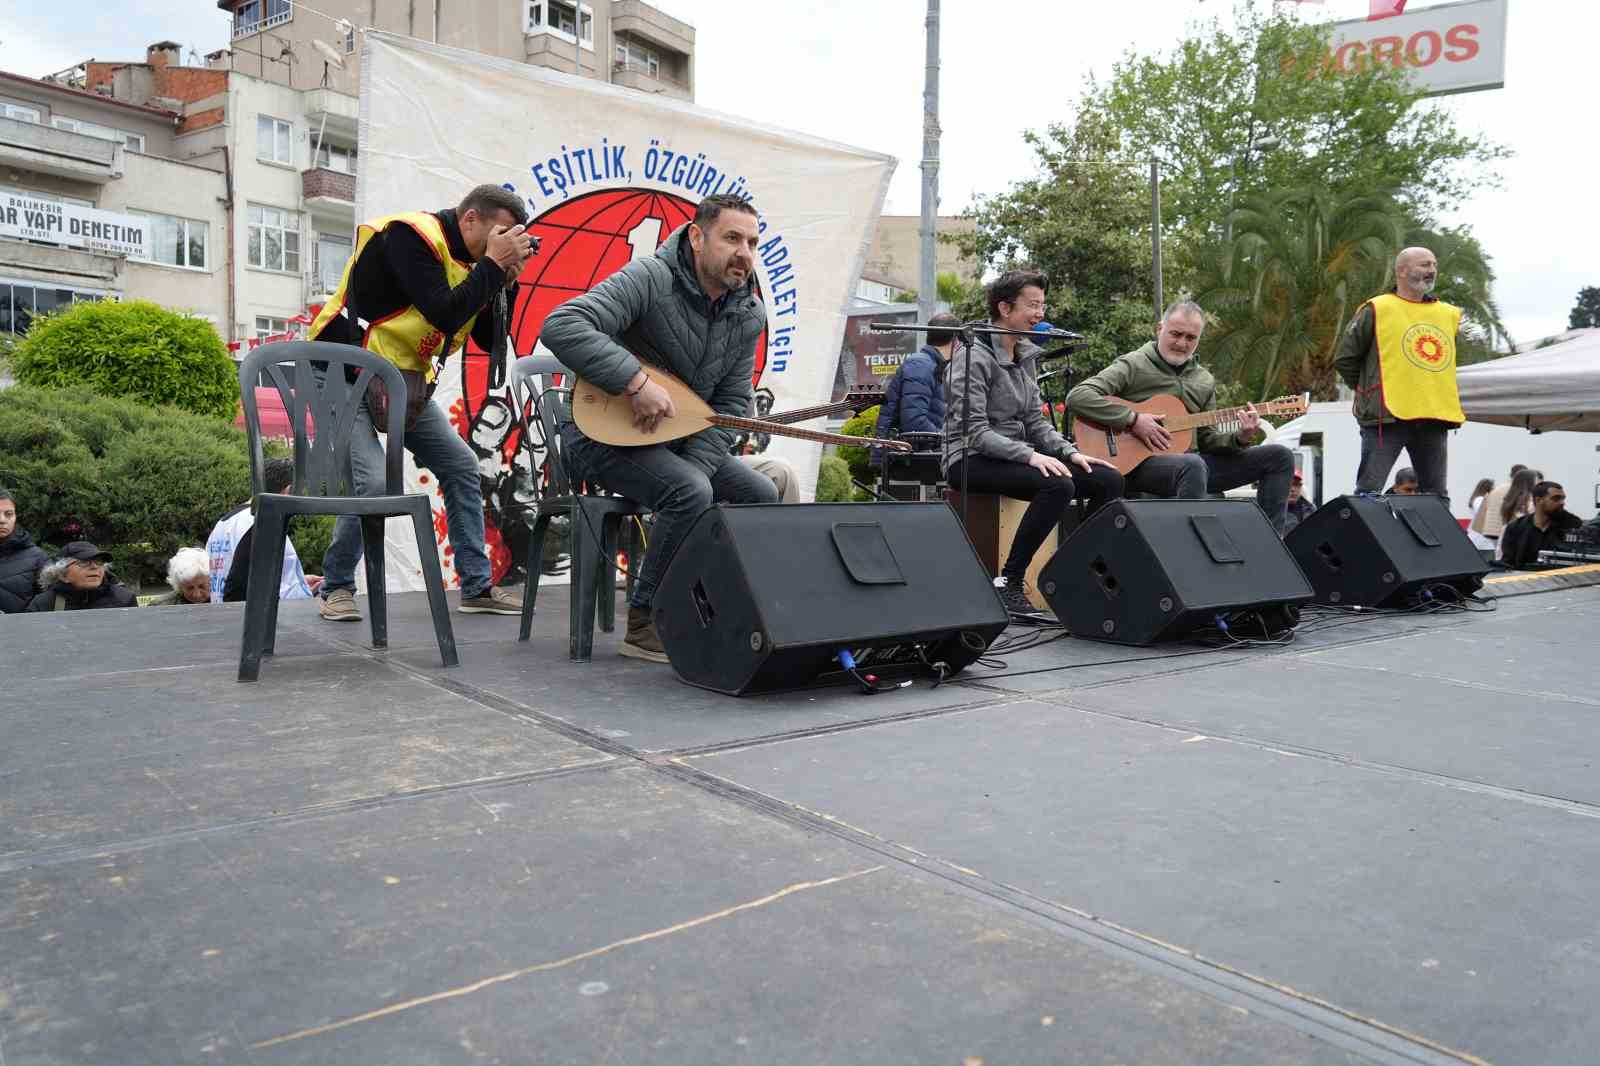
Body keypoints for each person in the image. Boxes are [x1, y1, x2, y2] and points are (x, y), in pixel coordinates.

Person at [541, 192, 780, 662]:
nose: (744, 253)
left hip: (673, 440)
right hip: (596, 433)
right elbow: (563, 325)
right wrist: (634, 381)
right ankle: (647, 620)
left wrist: (696, 467)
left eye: (752, 243)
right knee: (689, 491)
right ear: (697, 237)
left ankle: (709, 609)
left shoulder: (747, 313)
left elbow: (729, 404)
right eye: (732, 238)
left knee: (760, 494)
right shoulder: (652, 277)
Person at [307, 183, 535, 622]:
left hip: (398, 379)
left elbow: (489, 339)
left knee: (461, 465)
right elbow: (443, 312)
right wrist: (492, 266)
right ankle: (335, 587)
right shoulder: (410, 236)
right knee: (374, 483)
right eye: (501, 233)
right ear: (470, 219)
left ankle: (477, 586)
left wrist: (506, 280)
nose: (505, 243)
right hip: (339, 368)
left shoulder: (478, 264)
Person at [945, 270, 1123, 620]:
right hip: (968, 457)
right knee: (1058, 484)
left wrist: (1070, 452)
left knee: (1108, 480)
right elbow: (974, 432)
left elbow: (1035, 421)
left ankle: (1078, 572)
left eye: (1042, 305)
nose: (1040, 314)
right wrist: (1029, 455)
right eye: (1033, 305)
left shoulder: (1025, 354)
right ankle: (1009, 581)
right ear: (1004, 308)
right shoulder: (971, 356)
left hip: (1013, 455)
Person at [1067, 300, 1296, 532]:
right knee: (1192, 465)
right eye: (1176, 334)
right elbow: (1079, 396)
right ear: (1160, 329)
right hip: (1139, 466)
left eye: (1191, 338)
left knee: (1280, 457)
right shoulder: (1134, 364)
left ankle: (1271, 543)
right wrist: (1133, 420)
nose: (1182, 343)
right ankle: (1184, 545)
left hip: (1192, 465)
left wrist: (1240, 438)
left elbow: (1208, 440)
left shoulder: (1204, 380)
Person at [1335, 246, 1464, 498]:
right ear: (1402, 271)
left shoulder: (1449, 314)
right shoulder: (1376, 308)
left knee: (1436, 496)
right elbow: (1345, 359)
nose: (1432, 270)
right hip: (1386, 417)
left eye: (1434, 265)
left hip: (1433, 416)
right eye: (1424, 264)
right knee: (1369, 493)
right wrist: (1370, 392)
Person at [207, 458, 321, 604]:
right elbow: (242, 586)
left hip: (225, 612)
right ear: (288, 490)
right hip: (256, 615)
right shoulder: (263, 522)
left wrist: (300, 584)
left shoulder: (223, 523)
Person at [874, 312, 959, 441]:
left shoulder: (932, 364)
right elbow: (915, 423)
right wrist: (948, 442)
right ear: (956, 340)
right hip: (907, 451)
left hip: (918, 449)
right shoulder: (921, 365)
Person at [27, 541, 138, 612]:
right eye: (83, 563)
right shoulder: (43, 604)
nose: (94, 567)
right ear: (62, 575)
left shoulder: (124, 599)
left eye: (99, 562)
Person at [1499, 482, 1582, 568]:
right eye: (1556, 499)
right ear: (1538, 500)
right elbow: (1507, 562)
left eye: (1562, 499)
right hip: (1523, 574)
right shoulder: (1516, 527)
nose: (1562, 503)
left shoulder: (1572, 525)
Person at [0, 487, 48, 614]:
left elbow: (48, 604)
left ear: (15, 516)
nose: (2, 520)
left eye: (8, 514)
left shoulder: (37, 558)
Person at [1472, 464, 1528, 543]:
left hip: (1489, 531)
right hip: (1503, 530)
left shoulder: (1497, 489)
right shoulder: (1517, 490)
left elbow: (1484, 511)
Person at [148, 547, 214, 606]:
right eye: (189, 588)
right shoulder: (160, 606)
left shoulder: (219, 602)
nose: (197, 595)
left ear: (212, 582)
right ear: (180, 587)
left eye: (202, 587)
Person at [1283, 469, 1317, 535]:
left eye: (1296, 485)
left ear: (1301, 487)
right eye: (1288, 484)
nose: (1292, 489)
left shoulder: (1311, 510)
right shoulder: (1273, 510)